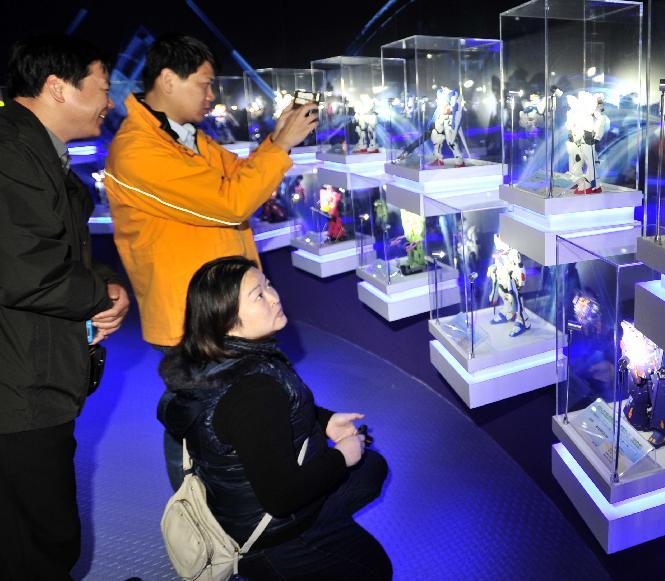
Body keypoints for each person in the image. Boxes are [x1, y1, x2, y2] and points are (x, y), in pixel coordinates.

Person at [103, 35, 317, 488]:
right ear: (166, 79)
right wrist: (280, 147)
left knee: (239, 418)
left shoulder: (185, 138)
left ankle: (241, 511)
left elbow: (239, 176)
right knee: (194, 424)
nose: (211, 95)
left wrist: (277, 138)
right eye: (203, 84)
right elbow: (232, 203)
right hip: (188, 318)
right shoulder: (139, 149)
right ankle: (194, 526)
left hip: (219, 311)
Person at [158, 256, 391, 580]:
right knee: (374, 568)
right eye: (258, 295)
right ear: (228, 320)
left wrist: (324, 420)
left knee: (372, 469)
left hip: (237, 501)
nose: (274, 296)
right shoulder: (254, 392)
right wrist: (341, 457)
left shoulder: (214, 358)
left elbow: (250, 424)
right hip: (272, 533)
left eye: (268, 284)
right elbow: (281, 498)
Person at [0, 36, 130, 578]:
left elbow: (56, 250)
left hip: (32, 376)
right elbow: (25, 268)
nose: (109, 102)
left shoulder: (33, 151)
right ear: (57, 87)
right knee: (42, 541)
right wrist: (103, 296)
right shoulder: (11, 152)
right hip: (18, 392)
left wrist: (103, 285)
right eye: (102, 88)